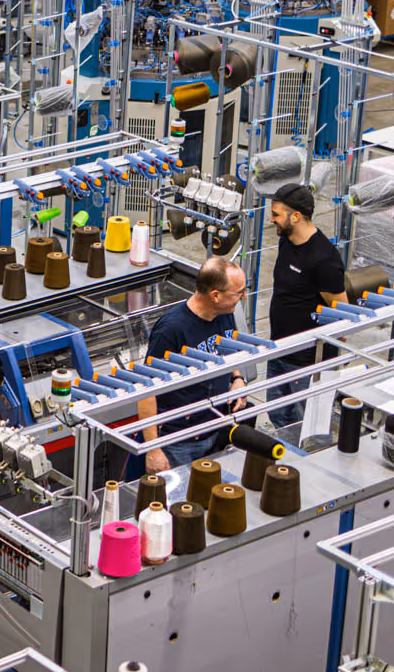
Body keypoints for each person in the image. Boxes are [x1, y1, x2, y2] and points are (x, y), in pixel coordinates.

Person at [135, 257, 249, 475]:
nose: (243, 297)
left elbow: (229, 348)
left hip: (216, 427)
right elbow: (146, 390)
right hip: (179, 441)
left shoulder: (224, 315)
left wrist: (237, 378)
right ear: (215, 295)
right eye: (238, 292)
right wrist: (153, 450)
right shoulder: (171, 331)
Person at [265, 184, 347, 428]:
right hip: (279, 349)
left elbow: (342, 310)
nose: (272, 219)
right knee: (278, 416)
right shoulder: (287, 240)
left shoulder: (323, 260)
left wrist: (332, 358)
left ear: (296, 216)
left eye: (276, 214)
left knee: (307, 426)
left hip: (307, 362)